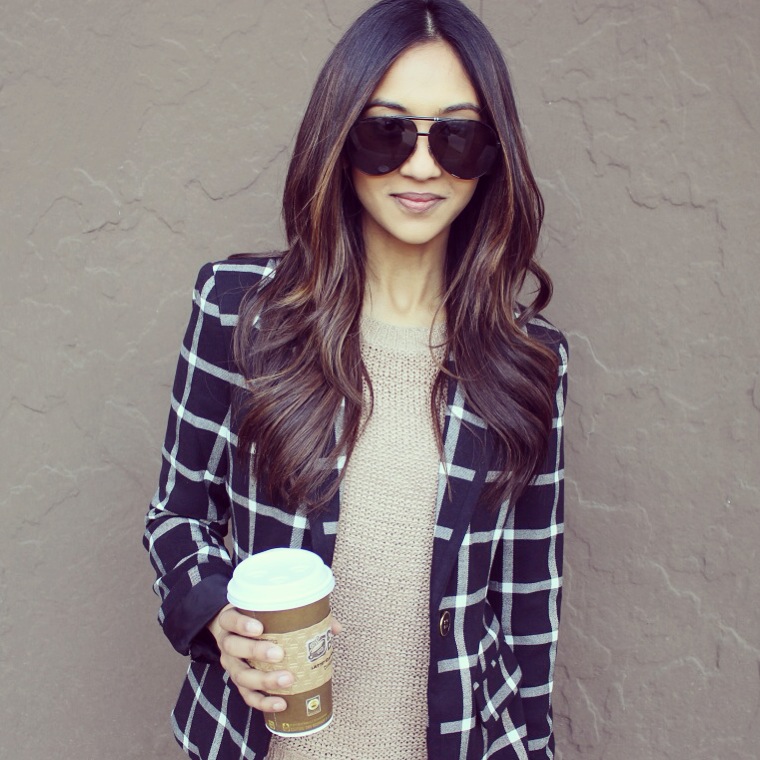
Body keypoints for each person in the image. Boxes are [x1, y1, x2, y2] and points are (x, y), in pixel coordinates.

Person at [144, 0, 568, 758]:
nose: (422, 165)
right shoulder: (241, 315)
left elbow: (528, 607)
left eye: (458, 135)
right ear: (338, 140)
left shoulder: (529, 359)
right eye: (386, 131)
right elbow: (177, 517)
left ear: (493, 154)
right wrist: (215, 615)